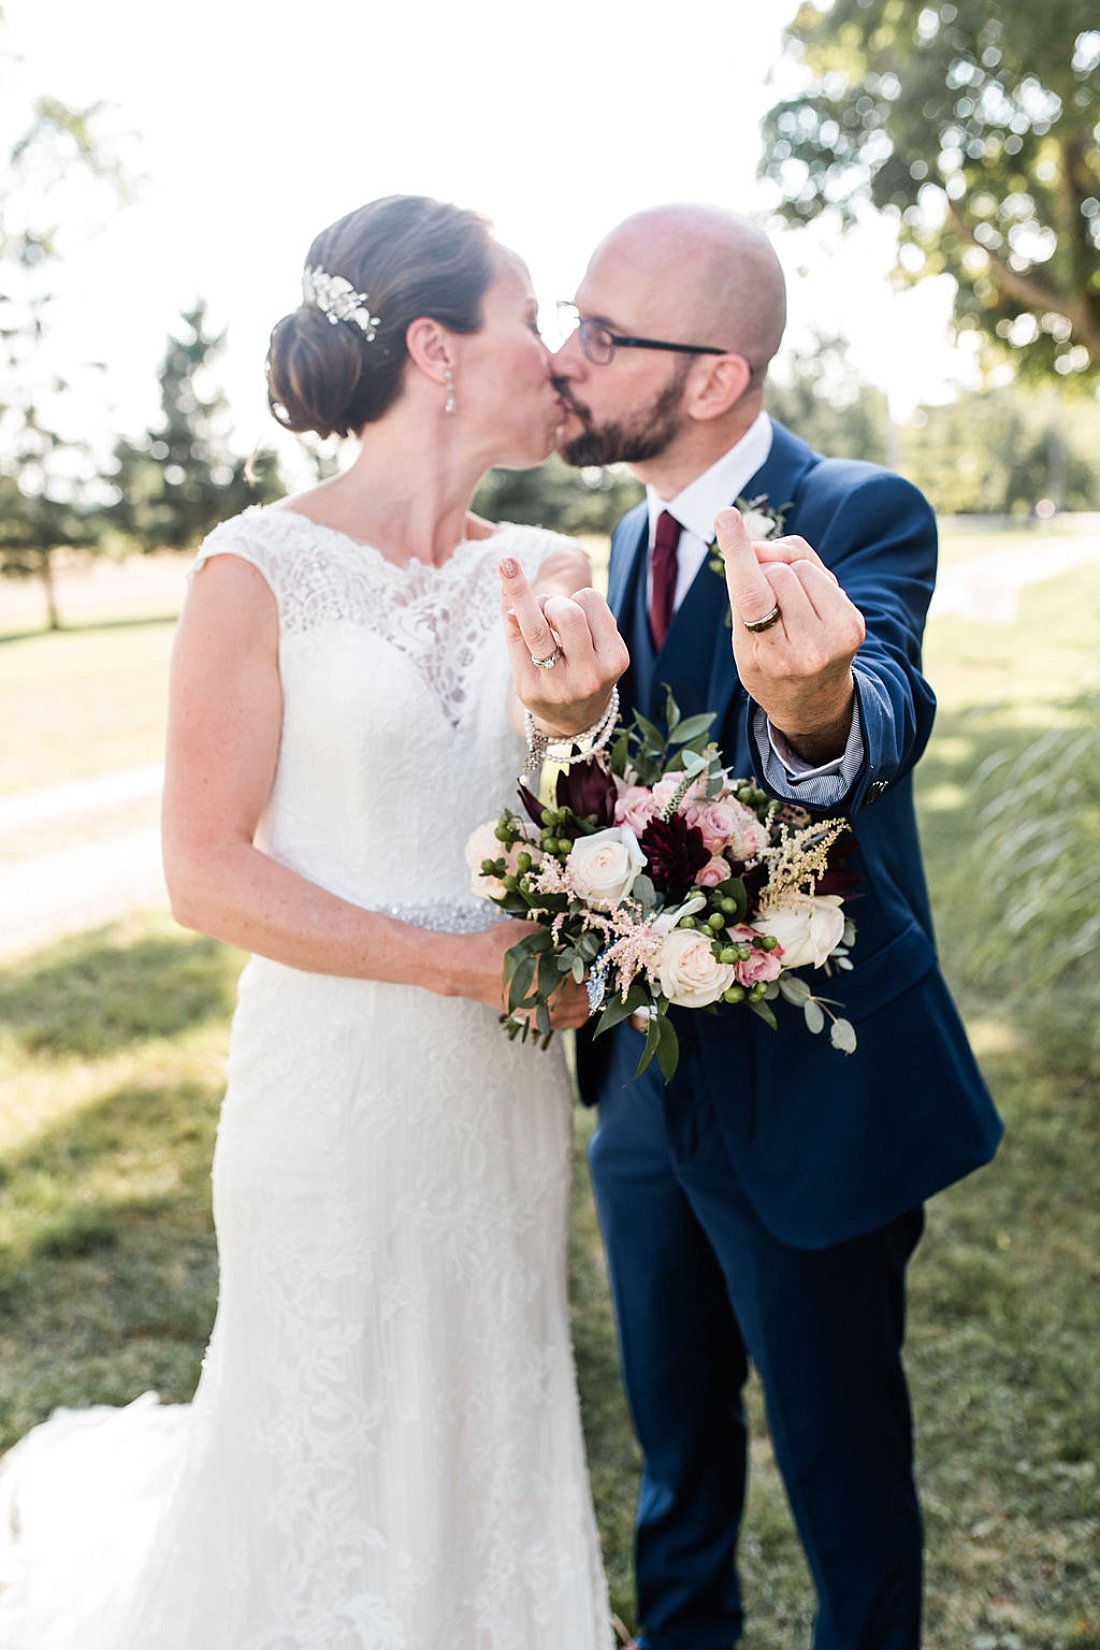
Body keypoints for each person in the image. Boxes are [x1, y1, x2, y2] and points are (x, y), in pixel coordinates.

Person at [0, 195, 623, 1650]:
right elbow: (204, 870)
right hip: (333, 1079)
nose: (555, 352)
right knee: (328, 1405)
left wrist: (577, 731)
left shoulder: (548, 567)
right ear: (437, 347)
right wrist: (452, 959)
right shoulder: (252, 569)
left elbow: (592, 835)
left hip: (499, 1089)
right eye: (527, 315)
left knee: (489, 1389)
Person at [534, 204, 1004, 1650]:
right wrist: (572, 734)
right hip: (648, 1102)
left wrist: (810, 702)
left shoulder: (863, 509)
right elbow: (616, 799)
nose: (567, 357)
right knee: (678, 1466)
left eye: (604, 337)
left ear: (716, 375)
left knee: (846, 1483)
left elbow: (871, 708)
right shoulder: (621, 541)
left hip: (823, 1101)